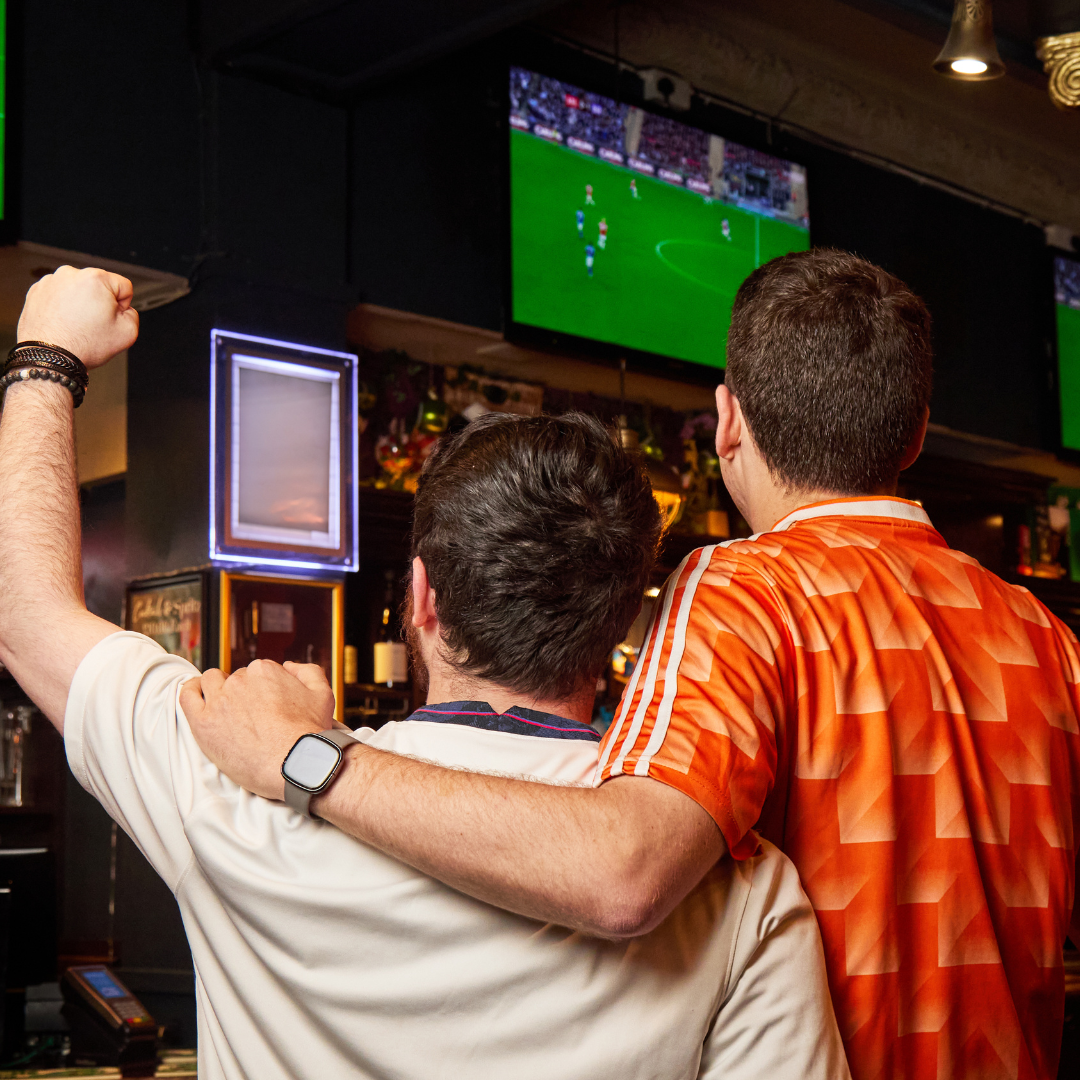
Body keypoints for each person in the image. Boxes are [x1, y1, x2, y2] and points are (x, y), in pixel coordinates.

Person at [187, 248, 1080, 1080]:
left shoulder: (745, 588)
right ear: (916, 430)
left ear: (728, 420)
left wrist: (306, 757)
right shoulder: (1046, 636)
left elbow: (624, 873)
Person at [0, 270, 849, 1080]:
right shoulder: (740, 881)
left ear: (422, 597)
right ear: (627, 617)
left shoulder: (234, 786)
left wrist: (46, 354)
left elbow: (23, 615)